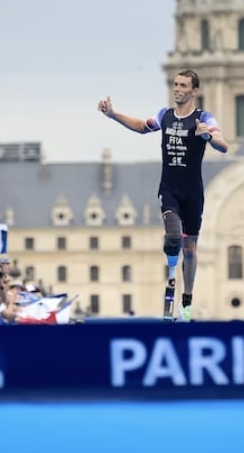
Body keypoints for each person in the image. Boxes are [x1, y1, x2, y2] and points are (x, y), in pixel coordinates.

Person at [98, 69, 229, 321]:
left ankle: (187, 300)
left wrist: (208, 136)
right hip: (169, 190)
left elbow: (223, 145)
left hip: (193, 193)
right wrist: (113, 115)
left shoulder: (203, 118)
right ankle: (171, 278)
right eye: (175, 84)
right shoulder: (165, 116)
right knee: (172, 237)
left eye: (183, 85)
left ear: (195, 91)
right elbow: (140, 127)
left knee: (190, 248)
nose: (177, 89)